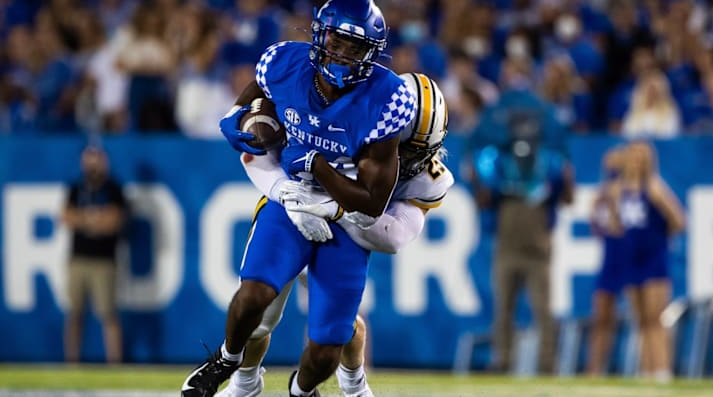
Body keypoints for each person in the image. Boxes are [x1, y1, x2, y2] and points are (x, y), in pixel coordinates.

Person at [181, 0, 417, 396]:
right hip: (290, 200)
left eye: (355, 46)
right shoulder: (283, 63)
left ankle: (302, 390)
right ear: (319, 36)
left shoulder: (388, 97)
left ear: (371, 52)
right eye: (337, 41)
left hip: (345, 219)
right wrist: (244, 122)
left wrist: (317, 165)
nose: (342, 53)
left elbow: (373, 201)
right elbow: (245, 108)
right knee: (254, 293)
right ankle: (227, 360)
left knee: (326, 349)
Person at [217, 72, 453, 397]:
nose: (405, 159)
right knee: (260, 314)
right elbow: (260, 158)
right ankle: (244, 383)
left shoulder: (428, 178)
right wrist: (286, 193)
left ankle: (353, 382)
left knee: (338, 329)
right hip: (292, 217)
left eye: (416, 150)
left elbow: (395, 237)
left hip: (343, 237)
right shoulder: (335, 123)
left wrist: (336, 209)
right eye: (398, 147)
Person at [470, 112, 574, 374]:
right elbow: (484, 201)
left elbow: (568, 199)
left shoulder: (549, 164)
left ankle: (547, 364)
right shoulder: (500, 164)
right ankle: (503, 360)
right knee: (504, 308)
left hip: (538, 250)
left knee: (543, 309)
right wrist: (476, 179)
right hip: (508, 247)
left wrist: (566, 178)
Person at [614, 141, 684, 382]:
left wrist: (661, 237)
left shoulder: (654, 187)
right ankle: (646, 369)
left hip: (654, 259)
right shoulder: (620, 190)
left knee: (655, 318)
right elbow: (617, 225)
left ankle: (662, 369)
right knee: (641, 320)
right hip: (632, 259)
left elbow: (679, 220)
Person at [61, 145, 127, 364]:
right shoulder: (76, 188)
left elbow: (114, 222)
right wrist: (96, 219)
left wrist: (85, 220)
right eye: (89, 158)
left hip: (104, 261)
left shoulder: (113, 189)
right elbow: (66, 218)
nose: (93, 164)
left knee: (108, 315)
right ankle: (72, 362)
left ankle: (114, 363)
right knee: (74, 314)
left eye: (96, 158)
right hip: (78, 259)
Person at [586, 145, 628, 376]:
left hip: (630, 258)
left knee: (645, 318)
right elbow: (598, 228)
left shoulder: (632, 192)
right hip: (610, 260)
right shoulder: (602, 195)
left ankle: (652, 368)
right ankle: (595, 368)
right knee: (601, 318)